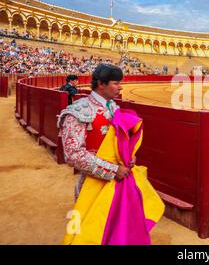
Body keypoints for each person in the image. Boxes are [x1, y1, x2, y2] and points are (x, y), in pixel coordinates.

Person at [58, 63, 164, 245]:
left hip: (120, 182)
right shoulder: (79, 111)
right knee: (91, 232)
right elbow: (73, 154)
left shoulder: (114, 108)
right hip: (93, 183)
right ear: (101, 84)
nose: (120, 87)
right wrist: (113, 169)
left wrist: (129, 157)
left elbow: (122, 144)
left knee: (120, 231)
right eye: (116, 83)